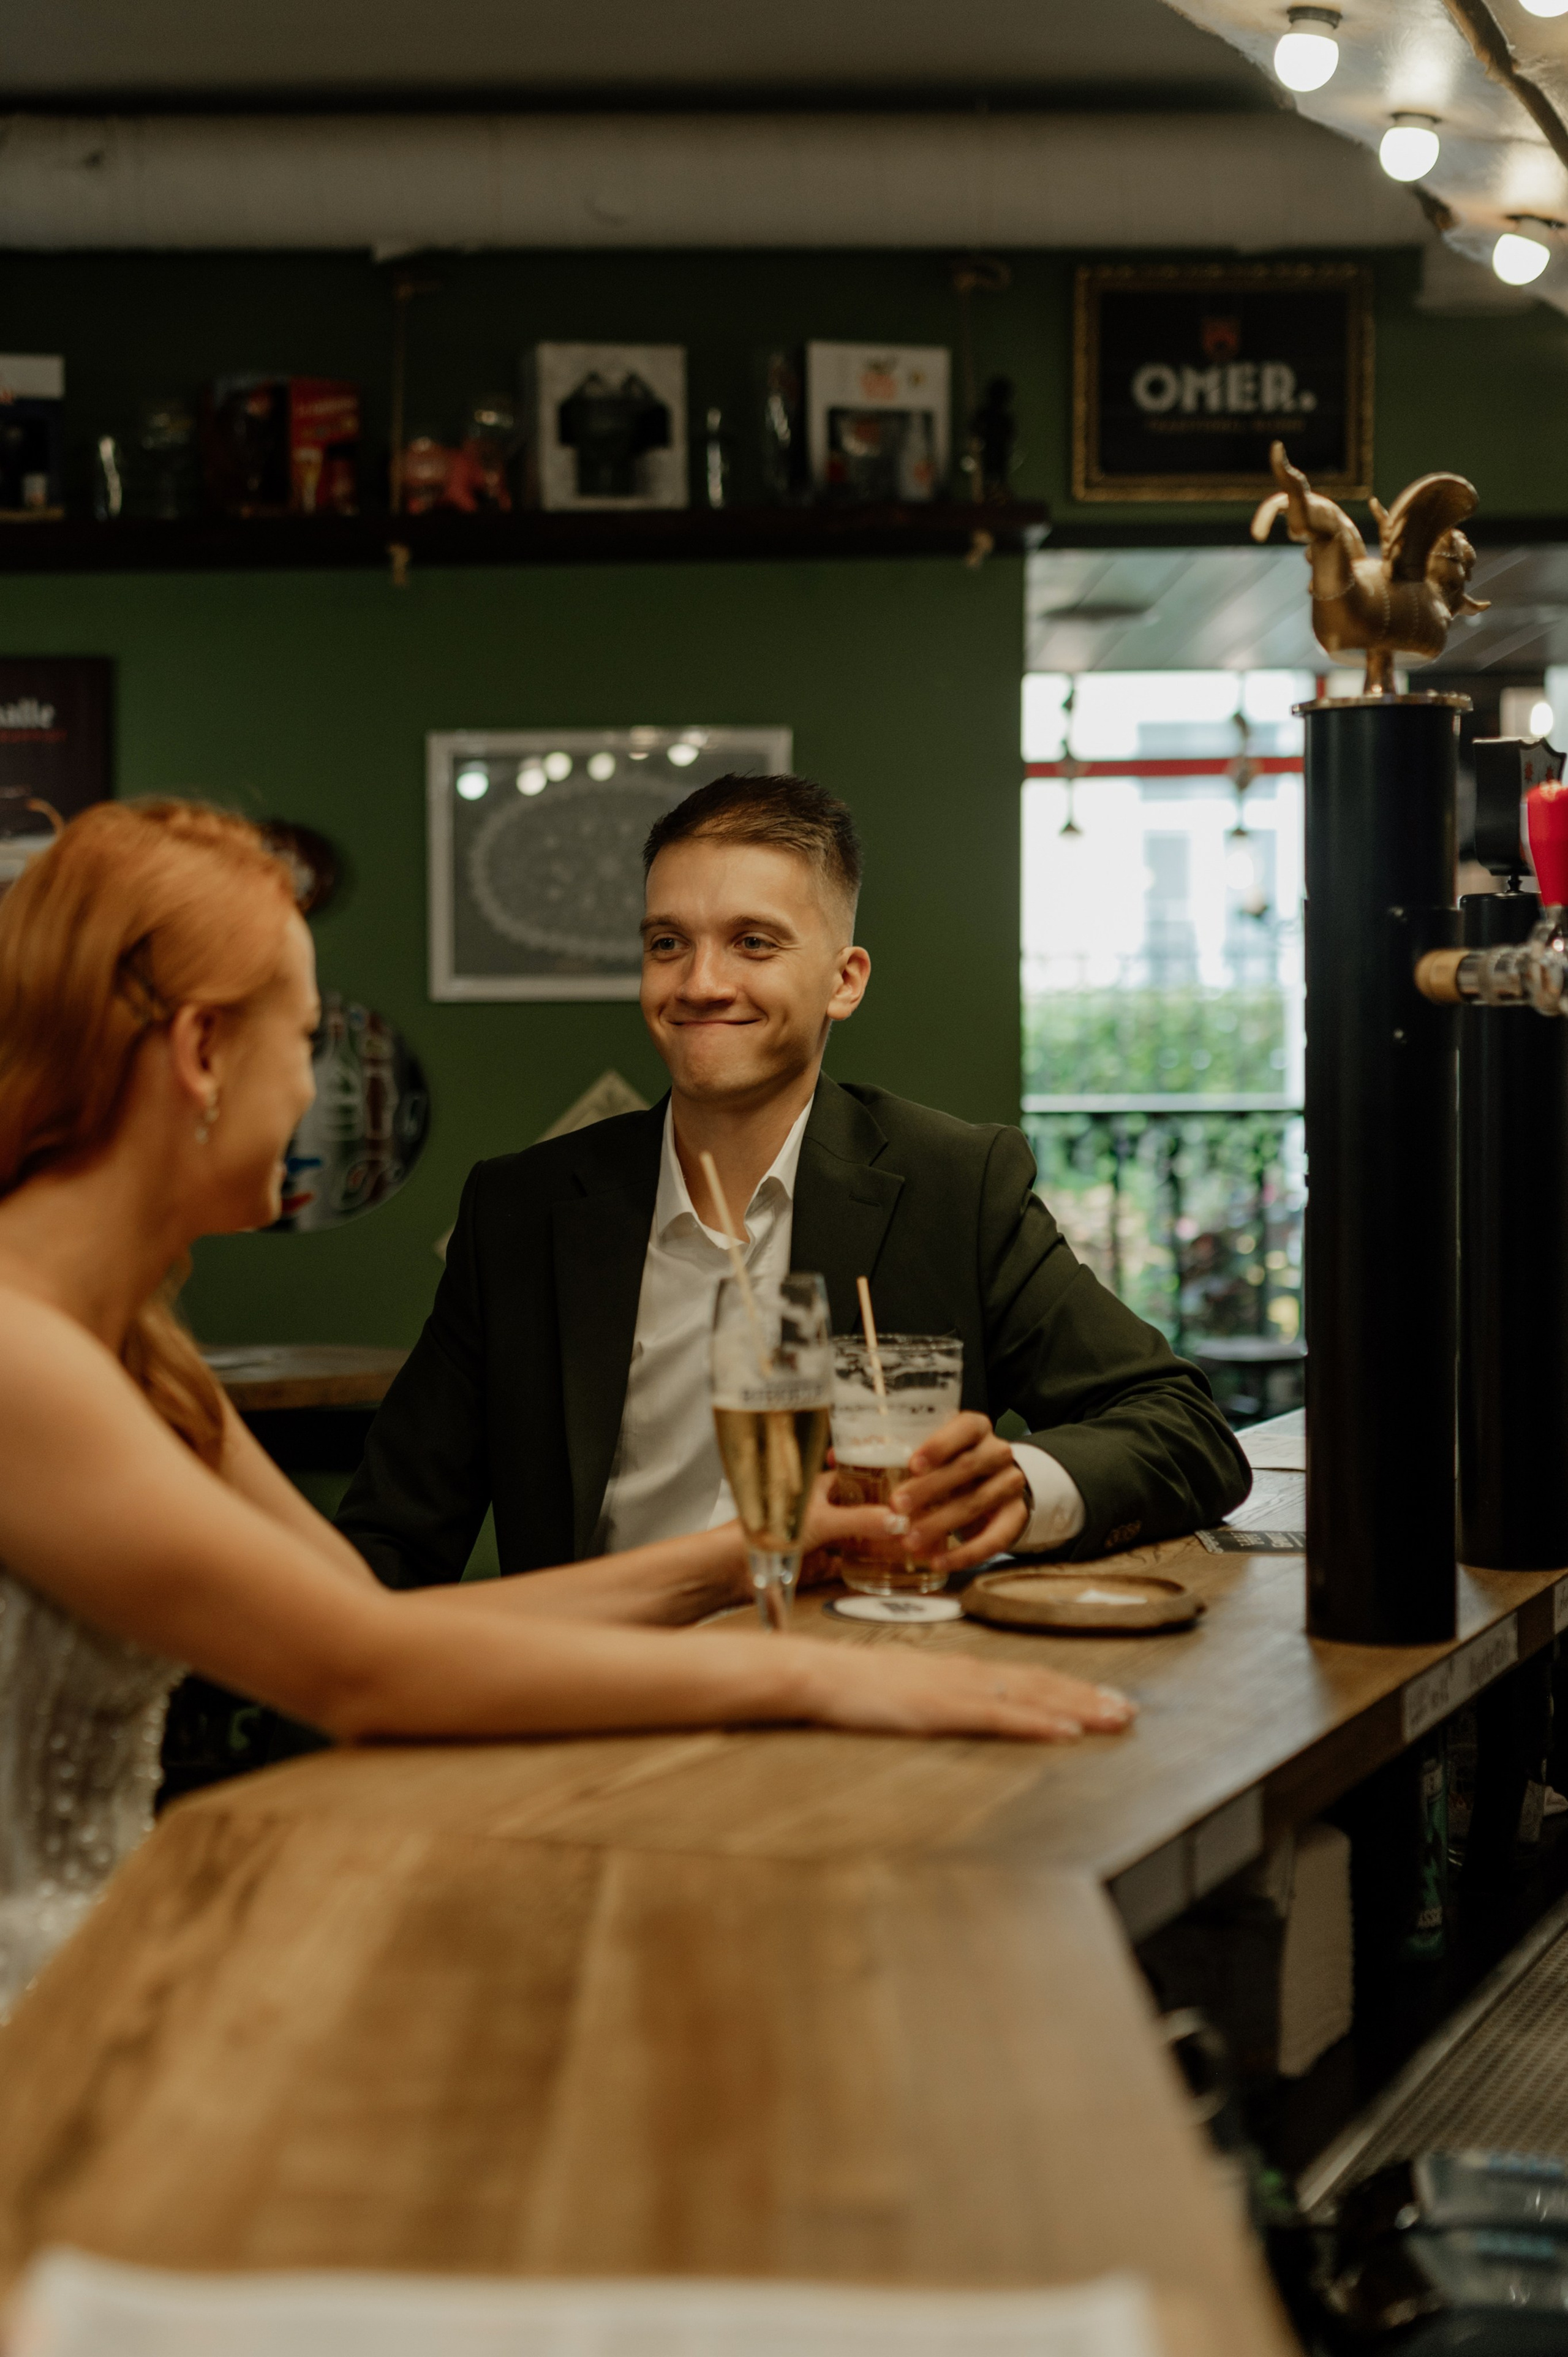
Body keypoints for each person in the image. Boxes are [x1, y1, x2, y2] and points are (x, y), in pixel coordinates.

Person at [0, 802, 1133, 2014]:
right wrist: (820, 1680)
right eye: (308, 1036)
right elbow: (365, 1667)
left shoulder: (136, 1349)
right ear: (201, 1056)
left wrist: (746, 1559)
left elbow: (363, 1618)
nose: (315, 1081)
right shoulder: (27, 1359)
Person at [340, 776, 1250, 1592]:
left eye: (753, 943)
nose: (701, 982)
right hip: (598, 1702)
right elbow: (393, 1535)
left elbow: (1184, 1430)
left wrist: (1020, 1481)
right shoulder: (521, 1211)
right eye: (668, 943)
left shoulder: (953, 1185)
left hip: (852, 1687)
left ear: (843, 981)